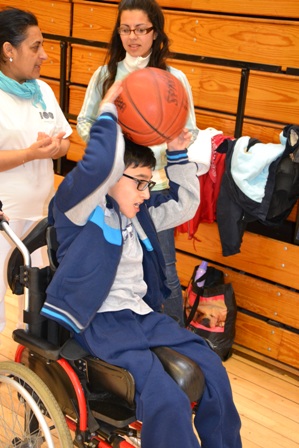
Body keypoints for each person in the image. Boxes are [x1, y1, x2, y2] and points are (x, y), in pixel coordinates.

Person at [41, 81, 242, 448]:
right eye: (140, 183)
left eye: (149, 184)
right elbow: (101, 163)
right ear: (112, 177)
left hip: (141, 316)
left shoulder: (138, 213)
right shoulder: (80, 209)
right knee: (165, 397)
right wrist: (109, 109)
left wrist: (178, 154)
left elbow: (183, 206)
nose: (146, 193)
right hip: (101, 321)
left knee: (212, 368)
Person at [76, 0, 212, 326]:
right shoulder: (105, 75)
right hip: (110, 190)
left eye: (141, 29)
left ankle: (175, 343)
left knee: (162, 267)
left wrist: (156, 146)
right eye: (125, 29)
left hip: (155, 190)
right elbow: (84, 123)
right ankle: (118, 336)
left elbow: (188, 130)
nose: (132, 36)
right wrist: (115, 147)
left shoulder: (173, 78)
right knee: (111, 264)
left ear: (155, 33)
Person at [0, 7, 72, 333]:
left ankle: (24, 374)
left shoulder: (42, 90)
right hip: (4, 217)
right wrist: (29, 153)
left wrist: (55, 148)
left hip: (40, 217)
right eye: (35, 46)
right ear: (8, 50)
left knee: (35, 307)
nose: (44, 55)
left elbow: (66, 142)